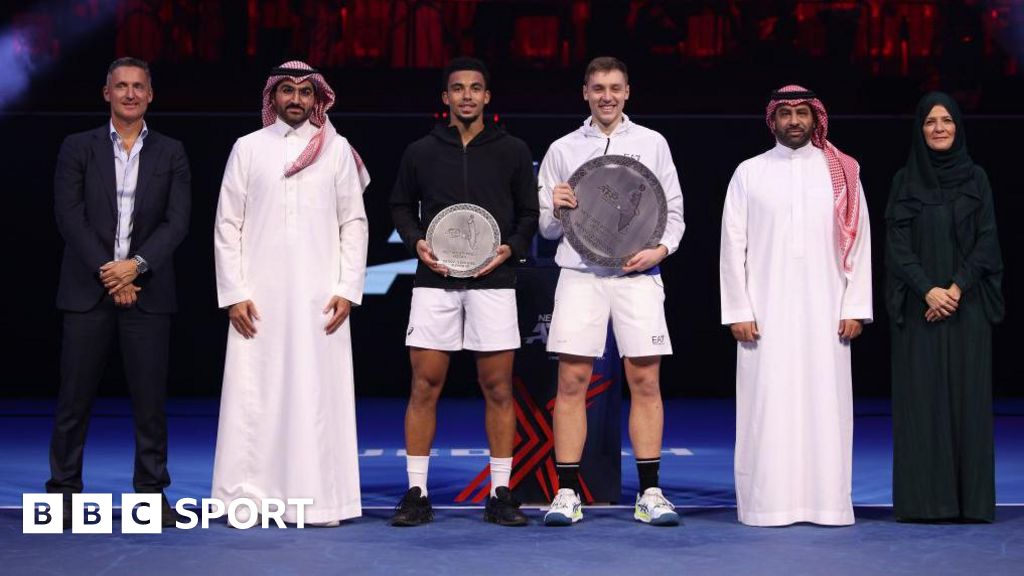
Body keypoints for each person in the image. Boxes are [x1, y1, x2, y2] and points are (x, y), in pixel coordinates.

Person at [212, 60, 370, 527]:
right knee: (253, 393)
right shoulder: (247, 148)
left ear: (318, 98)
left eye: (305, 91)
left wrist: (347, 288)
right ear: (273, 97)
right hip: (257, 299)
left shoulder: (337, 150)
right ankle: (249, 499)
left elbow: (354, 223)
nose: (296, 99)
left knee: (317, 396)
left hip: (321, 299)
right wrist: (234, 292)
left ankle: (320, 501)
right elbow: (227, 224)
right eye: (287, 91)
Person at [389, 57, 539, 527]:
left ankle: (500, 493)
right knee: (424, 386)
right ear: (446, 98)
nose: (467, 96)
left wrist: (510, 249)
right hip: (435, 283)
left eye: (476, 88)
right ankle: (417, 493)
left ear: (487, 97)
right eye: (458, 89)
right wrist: (417, 242)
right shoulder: (420, 151)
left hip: (494, 283)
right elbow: (399, 203)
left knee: (497, 388)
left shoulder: (512, 150)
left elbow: (529, 213)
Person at [537, 56, 684, 527]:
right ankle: (566, 494)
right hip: (579, 276)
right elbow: (545, 226)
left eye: (615, 88)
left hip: (637, 277)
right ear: (585, 92)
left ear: (627, 92)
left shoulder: (652, 143)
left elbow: (674, 213)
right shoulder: (562, 148)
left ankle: (649, 493)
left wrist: (659, 251)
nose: (606, 96)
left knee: (645, 381)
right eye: (598, 87)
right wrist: (555, 208)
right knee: (571, 383)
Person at [719, 84, 872, 527]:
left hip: (827, 311)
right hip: (764, 315)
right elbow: (733, 246)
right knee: (766, 407)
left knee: (827, 406)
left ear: (815, 117)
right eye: (785, 113)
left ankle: (827, 505)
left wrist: (855, 306)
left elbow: (859, 242)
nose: (794, 121)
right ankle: (766, 505)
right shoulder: (749, 172)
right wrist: (738, 311)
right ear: (773, 119)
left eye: (802, 112)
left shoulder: (842, 172)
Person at [48, 56, 191, 528]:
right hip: (87, 290)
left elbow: (177, 222)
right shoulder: (77, 147)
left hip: (148, 293)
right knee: (74, 399)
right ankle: (64, 493)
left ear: (151, 95)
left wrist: (136, 268)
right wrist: (112, 272)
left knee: (150, 402)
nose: (130, 94)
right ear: (106, 92)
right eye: (121, 86)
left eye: (138, 87)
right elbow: (70, 216)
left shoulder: (171, 152)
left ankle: (150, 496)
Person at [886, 92, 1003, 523]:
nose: (939, 128)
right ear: (920, 129)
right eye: (930, 121)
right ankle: (924, 503)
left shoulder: (977, 178)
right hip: (920, 312)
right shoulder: (904, 181)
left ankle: (969, 504)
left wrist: (954, 289)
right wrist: (927, 291)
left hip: (967, 309)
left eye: (947, 120)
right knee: (923, 404)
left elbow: (988, 242)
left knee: (967, 403)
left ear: (958, 127)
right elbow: (896, 246)